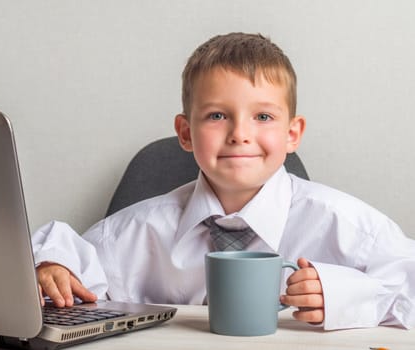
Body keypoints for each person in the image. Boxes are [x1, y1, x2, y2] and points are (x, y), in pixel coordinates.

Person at [32, 32, 415, 330]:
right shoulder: (132, 234)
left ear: (292, 133)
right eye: (217, 116)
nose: (239, 134)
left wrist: (345, 296)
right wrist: (52, 267)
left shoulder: (349, 227)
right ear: (185, 132)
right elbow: (68, 264)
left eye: (263, 117)